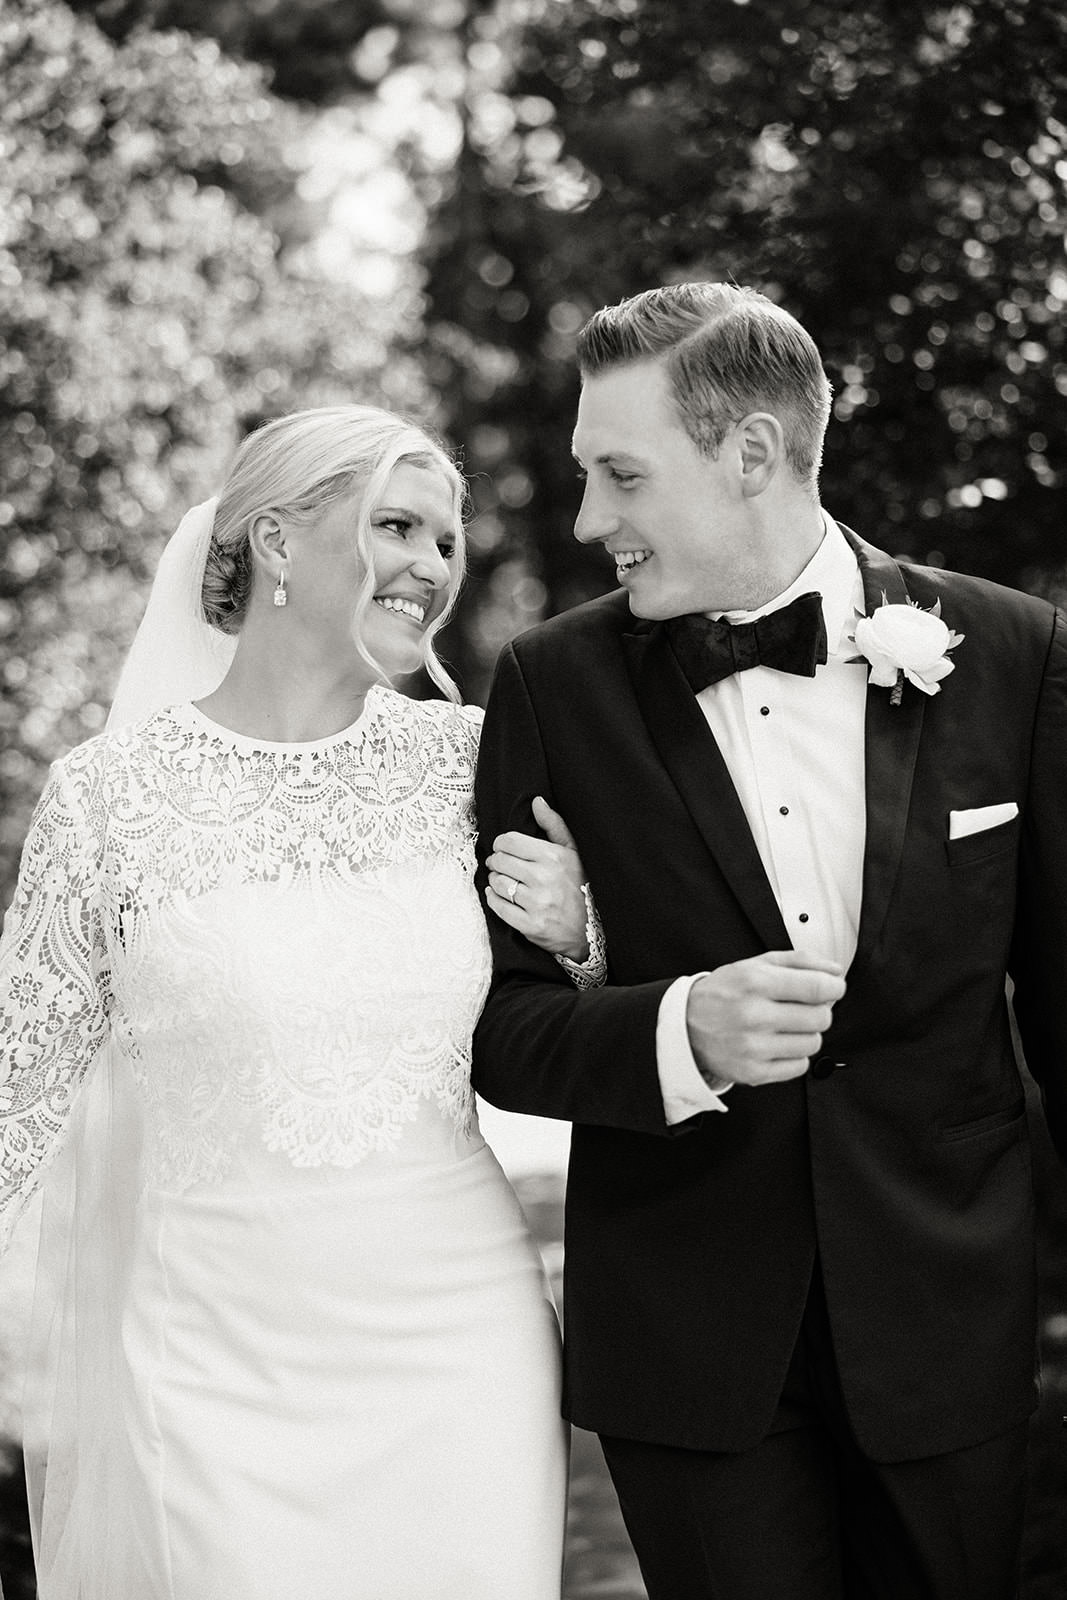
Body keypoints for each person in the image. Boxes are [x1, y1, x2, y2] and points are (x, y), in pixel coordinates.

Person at [472, 281, 1067, 1600]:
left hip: (942, 1320)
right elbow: (503, 1035)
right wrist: (677, 1030)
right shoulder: (546, 689)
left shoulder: (1011, 654)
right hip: (688, 1346)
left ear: (747, 452)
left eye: (618, 476)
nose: (584, 523)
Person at [0, 404, 599, 1600]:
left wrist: (576, 929)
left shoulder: (467, 765)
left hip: (458, 1349)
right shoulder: (108, 802)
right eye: (396, 526)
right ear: (276, 541)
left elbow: (583, 1003)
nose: (431, 568)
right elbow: (15, 1108)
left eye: (444, 539)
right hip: (212, 1369)